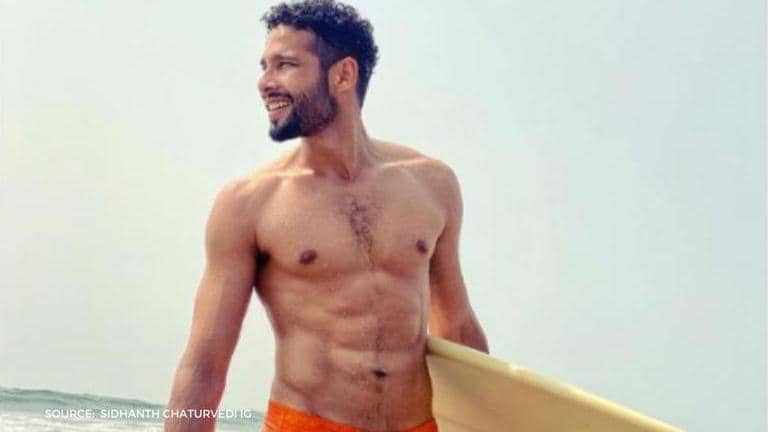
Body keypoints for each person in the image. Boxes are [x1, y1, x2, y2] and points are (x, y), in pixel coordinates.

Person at [164, 1, 488, 431]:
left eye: (285, 65)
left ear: (343, 75)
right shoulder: (249, 203)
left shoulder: (432, 184)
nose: (265, 82)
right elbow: (204, 365)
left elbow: (457, 327)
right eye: (264, 66)